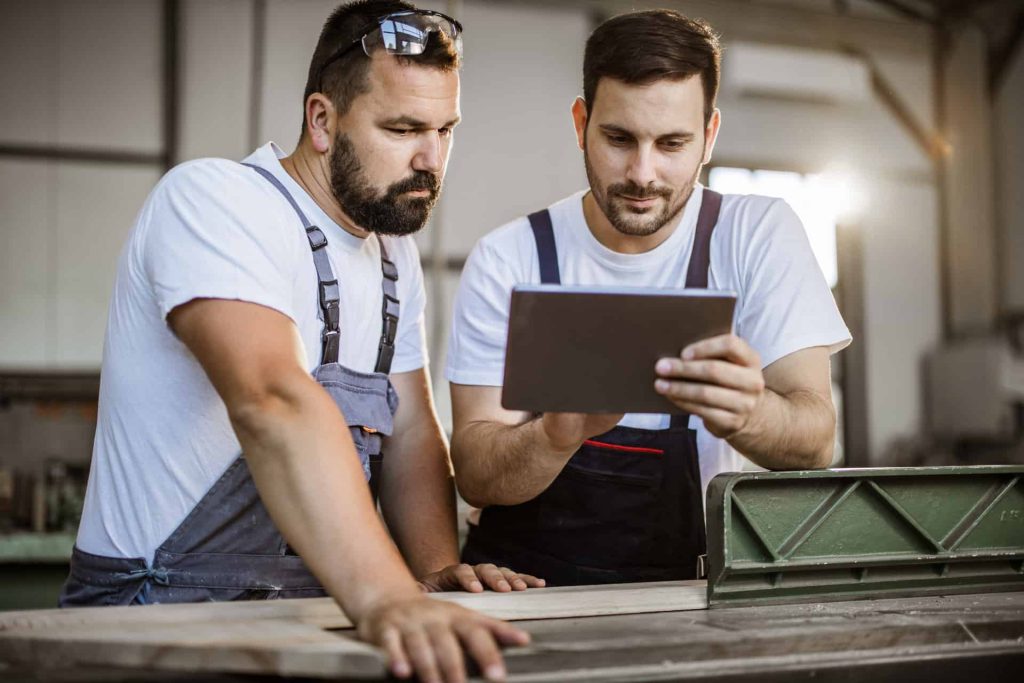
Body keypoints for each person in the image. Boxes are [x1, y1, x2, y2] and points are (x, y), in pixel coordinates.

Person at [62, 2, 539, 680]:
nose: (430, 158)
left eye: (444, 130)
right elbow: (273, 399)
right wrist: (387, 594)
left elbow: (410, 436)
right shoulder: (216, 202)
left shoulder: (394, 257)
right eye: (402, 128)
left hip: (305, 617)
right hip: (153, 619)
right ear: (322, 119)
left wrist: (435, 573)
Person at [446, 9, 852, 587]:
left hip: (683, 594)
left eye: (672, 143)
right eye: (619, 138)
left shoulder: (755, 235)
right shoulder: (509, 257)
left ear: (709, 136)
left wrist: (749, 411)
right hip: (525, 596)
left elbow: (816, 443)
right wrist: (556, 434)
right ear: (581, 122)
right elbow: (476, 474)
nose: (643, 173)